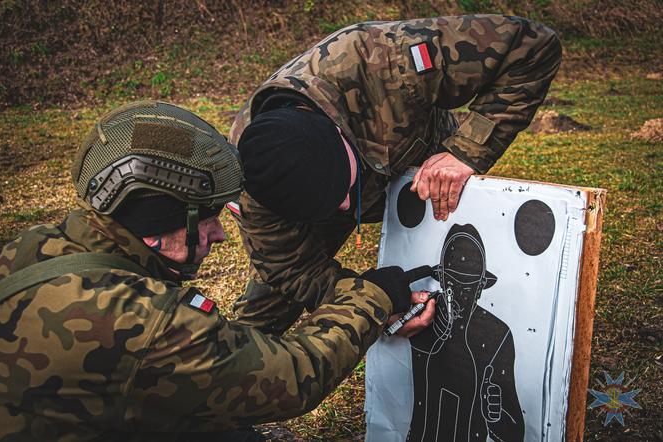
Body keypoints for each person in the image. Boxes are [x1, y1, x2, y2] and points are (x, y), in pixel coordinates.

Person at [0, 101, 431, 440]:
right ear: (153, 232)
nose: (220, 235)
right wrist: (372, 296)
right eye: (206, 218)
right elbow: (292, 376)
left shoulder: (34, 245)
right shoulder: (142, 323)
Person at [228, 14, 562, 337]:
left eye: (342, 191)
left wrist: (466, 151)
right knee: (270, 299)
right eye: (332, 206)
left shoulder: (386, 60)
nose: (346, 208)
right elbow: (292, 270)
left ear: (342, 135)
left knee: (452, 257)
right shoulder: (251, 185)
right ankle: (234, 371)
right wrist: (378, 306)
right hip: (316, 194)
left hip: (423, 157)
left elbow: (531, 46)